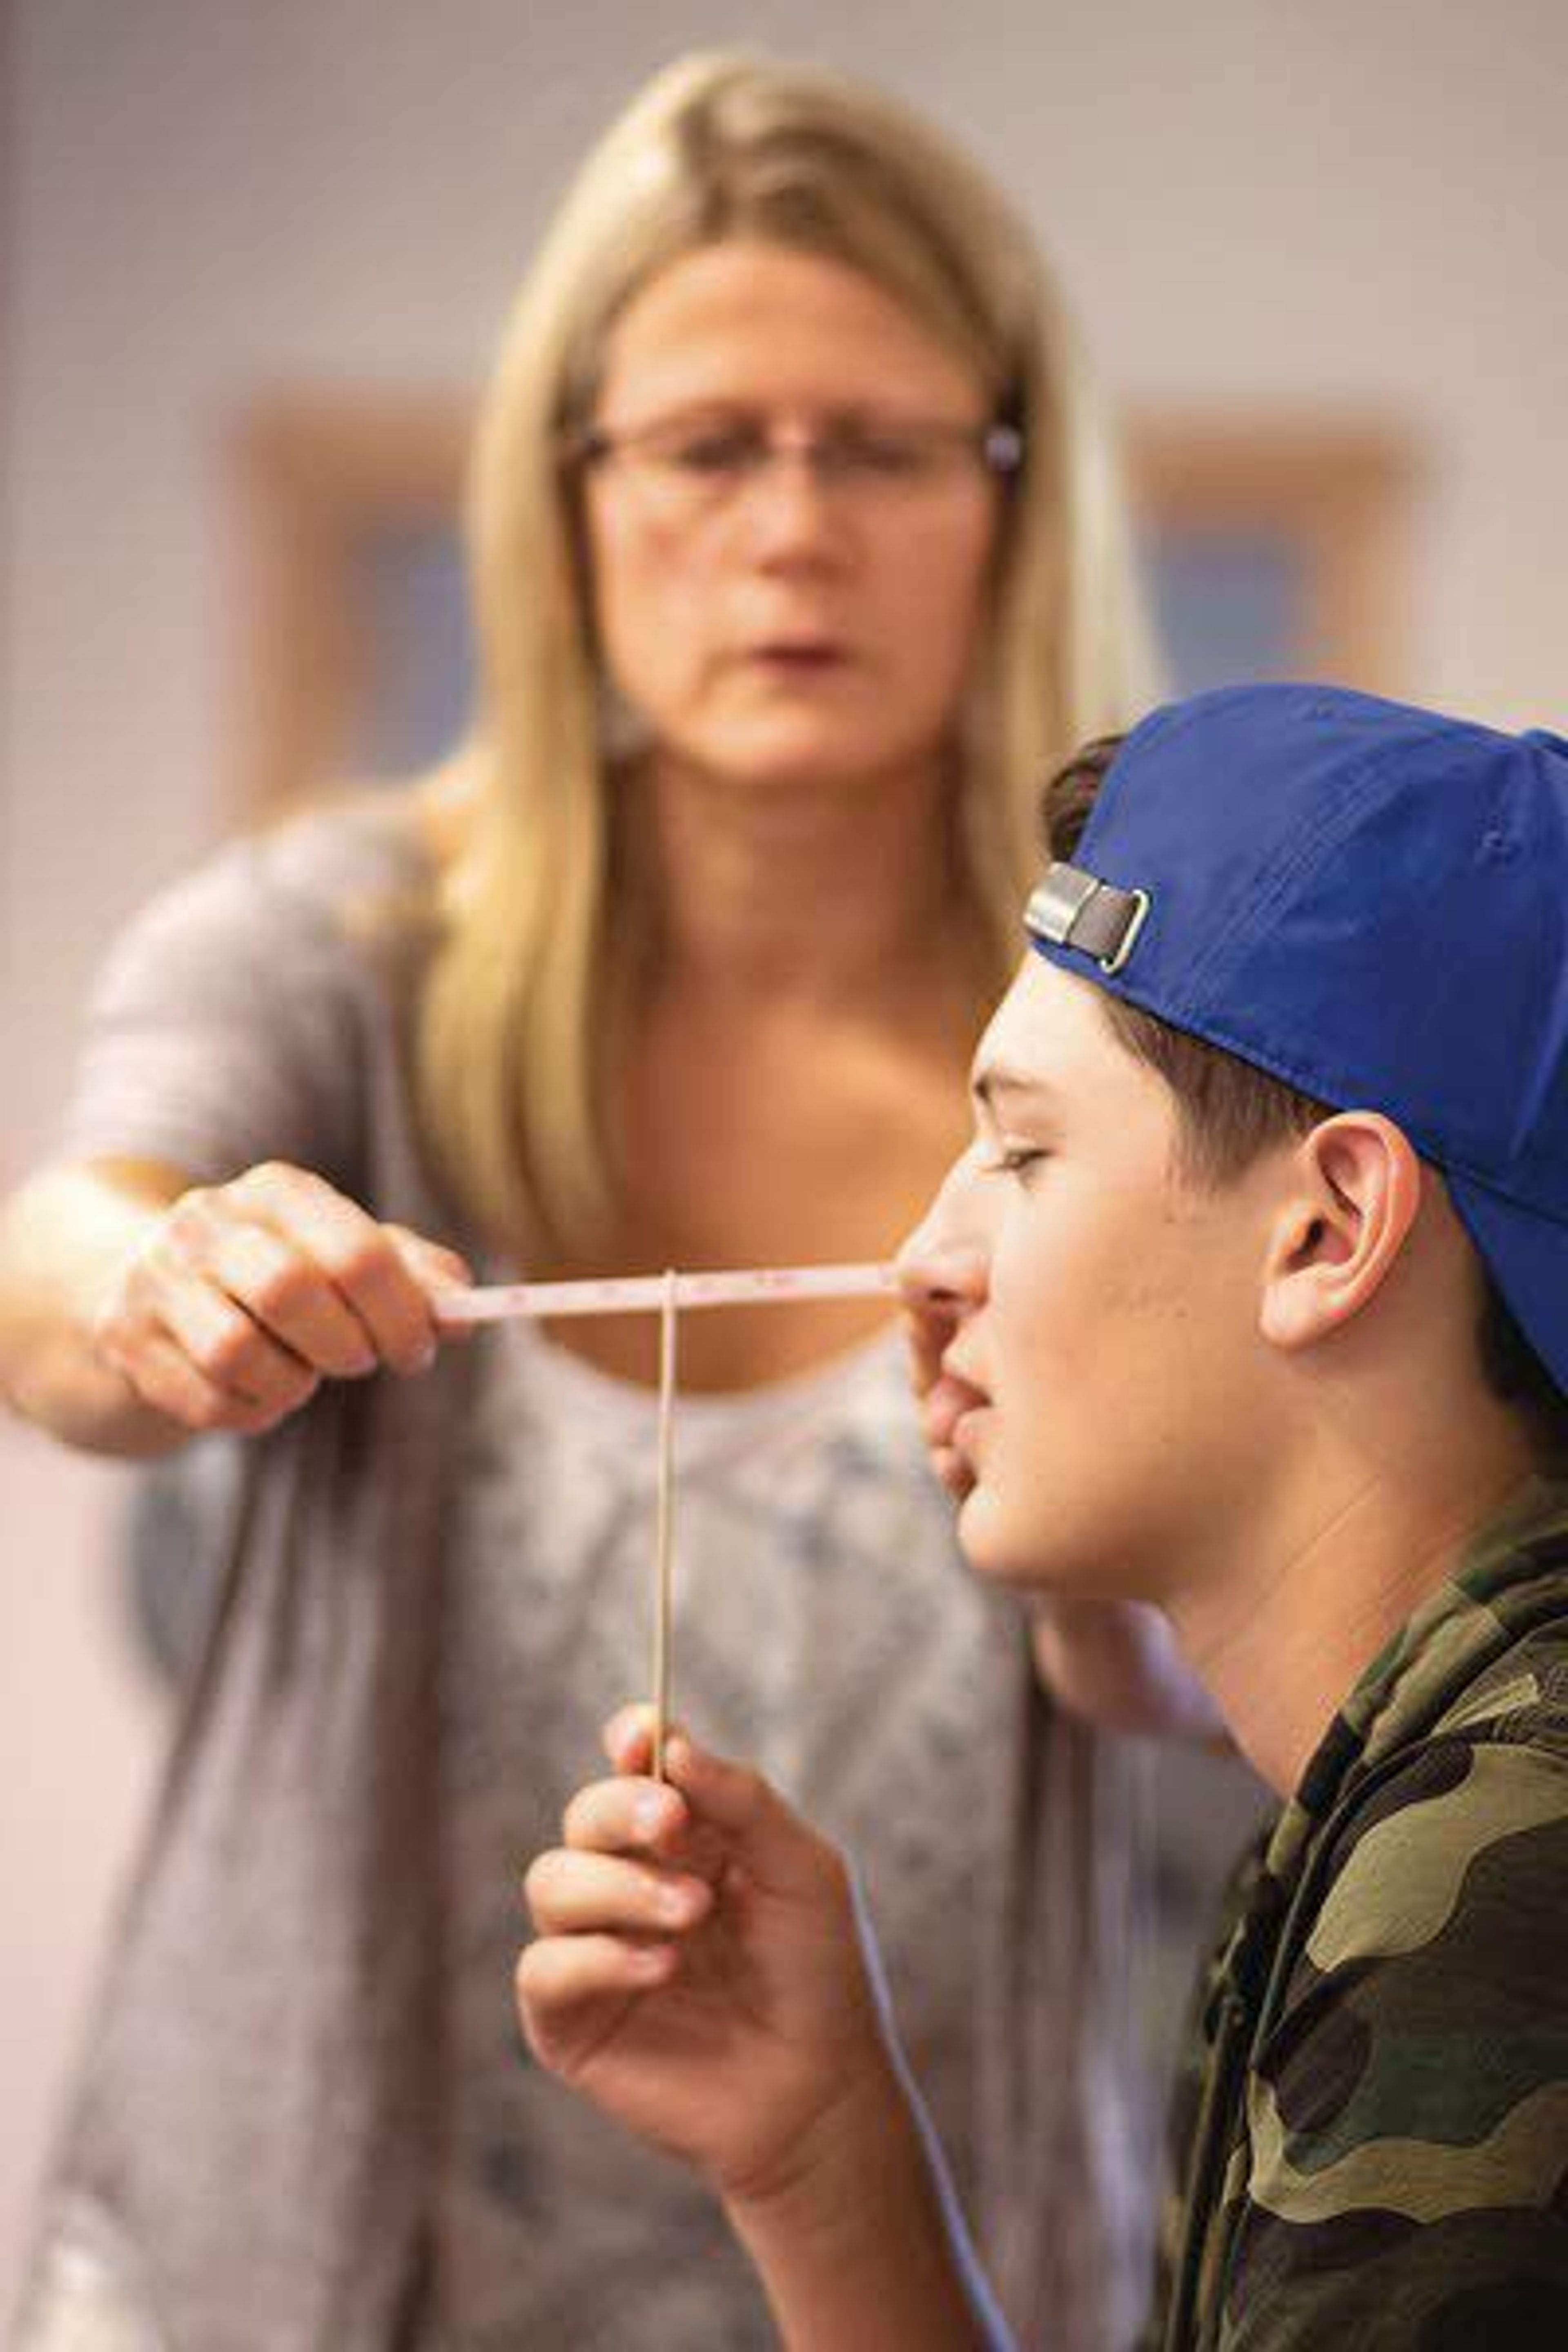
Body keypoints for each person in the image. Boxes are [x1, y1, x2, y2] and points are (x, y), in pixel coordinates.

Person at [0, 48, 1186, 2352]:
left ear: (1013, 494)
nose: (790, 529)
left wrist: (1113, 1599)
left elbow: (1252, 1664)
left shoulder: (1147, 1037)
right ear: (569, 494)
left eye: (883, 448)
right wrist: (159, 1285)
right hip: (291, 2274)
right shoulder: (334, 951)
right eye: (706, 448)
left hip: (933, 2281)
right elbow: (53, 1263)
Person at [517, 682, 1568, 2349]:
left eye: (1020, 1154)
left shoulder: (1509, 1862)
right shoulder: (1399, 1787)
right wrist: (824, 2163)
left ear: (1331, 1228)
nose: (920, 1269)